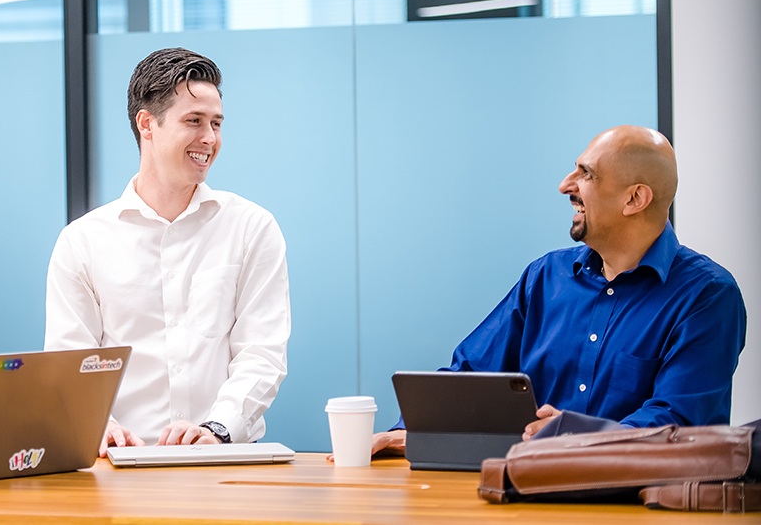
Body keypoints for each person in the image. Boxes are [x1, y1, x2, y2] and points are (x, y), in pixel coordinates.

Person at [364, 125, 747, 457]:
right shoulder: (546, 277)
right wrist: (408, 431)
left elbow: (676, 426)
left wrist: (573, 435)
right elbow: (472, 371)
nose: (566, 185)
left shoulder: (707, 296)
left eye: (586, 174)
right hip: (531, 496)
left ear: (635, 199)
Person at [45, 48, 290, 454]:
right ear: (147, 124)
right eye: (194, 121)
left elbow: (262, 352)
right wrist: (98, 425)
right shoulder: (82, 241)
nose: (209, 139)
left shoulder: (251, 227)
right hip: (120, 463)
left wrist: (217, 428)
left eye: (216, 123)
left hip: (222, 458)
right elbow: (70, 363)